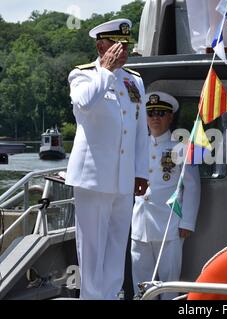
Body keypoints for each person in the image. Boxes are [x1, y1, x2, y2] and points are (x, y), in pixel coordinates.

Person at [66, 18, 149, 299]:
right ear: (101, 46)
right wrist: (105, 71)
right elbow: (84, 105)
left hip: (123, 181)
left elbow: (140, 130)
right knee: (91, 255)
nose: (123, 51)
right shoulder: (84, 75)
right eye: (117, 45)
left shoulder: (134, 80)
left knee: (116, 251)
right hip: (92, 179)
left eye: (126, 45)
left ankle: (112, 296)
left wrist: (142, 172)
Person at [131, 92, 201, 300]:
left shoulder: (181, 147)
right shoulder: (137, 147)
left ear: (170, 117)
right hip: (139, 226)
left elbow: (193, 186)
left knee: (169, 286)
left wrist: (187, 222)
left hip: (168, 226)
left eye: (161, 113)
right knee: (141, 286)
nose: (155, 118)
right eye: (150, 113)